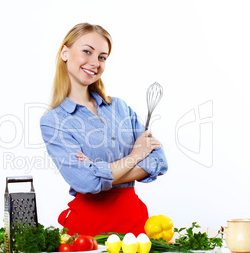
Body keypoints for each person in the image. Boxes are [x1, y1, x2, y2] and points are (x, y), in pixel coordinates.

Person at [40, 22, 168, 237]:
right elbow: (86, 182)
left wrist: (98, 170)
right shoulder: (54, 121)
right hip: (87, 232)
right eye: (87, 52)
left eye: (102, 57)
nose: (95, 63)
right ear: (65, 52)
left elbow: (158, 161)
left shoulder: (120, 107)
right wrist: (136, 156)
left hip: (135, 225)